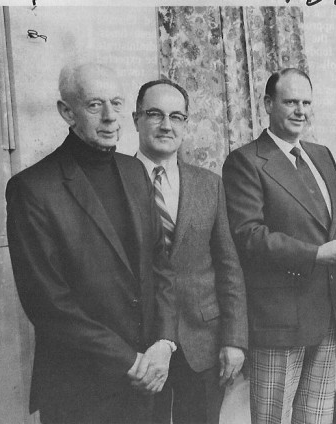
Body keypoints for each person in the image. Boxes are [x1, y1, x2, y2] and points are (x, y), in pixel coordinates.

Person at [5, 63, 178, 424]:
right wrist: (131, 362)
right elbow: (49, 303)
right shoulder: (32, 189)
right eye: (94, 105)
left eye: (116, 103)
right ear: (66, 111)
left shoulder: (135, 173)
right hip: (81, 392)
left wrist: (163, 344)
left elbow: (161, 267)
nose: (111, 117)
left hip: (150, 380)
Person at [222, 68, 336, 424]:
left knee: (316, 418)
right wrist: (316, 254)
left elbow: (335, 224)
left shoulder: (322, 154)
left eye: (306, 102)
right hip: (280, 319)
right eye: (290, 102)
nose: (301, 110)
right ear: (268, 104)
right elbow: (249, 235)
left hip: (329, 310)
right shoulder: (246, 161)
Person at [133, 79, 248, 424]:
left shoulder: (208, 184)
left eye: (177, 116)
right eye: (155, 114)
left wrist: (235, 340)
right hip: (139, 344)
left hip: (202, 340)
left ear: (185, 124)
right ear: (135, 119)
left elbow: (229, 267)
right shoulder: (113, 182)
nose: (166, 125)